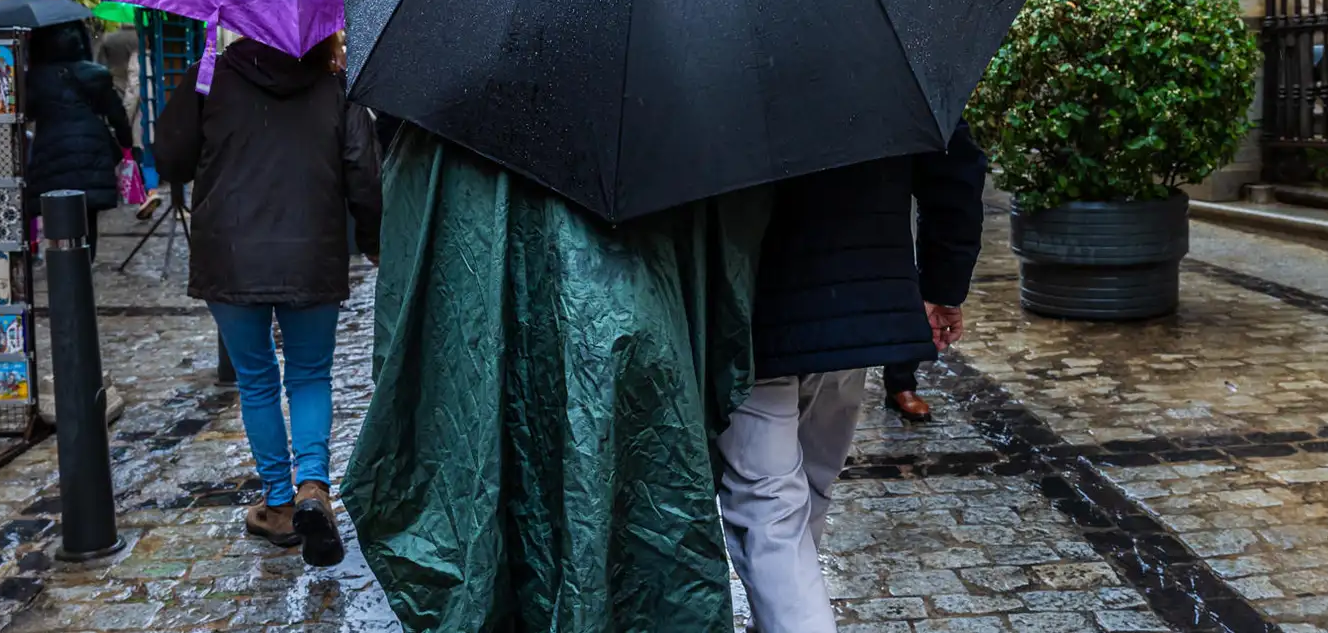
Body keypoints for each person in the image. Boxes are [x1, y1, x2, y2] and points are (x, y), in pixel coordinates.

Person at [340, 128, 768, 631]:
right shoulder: (660, 107)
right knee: (620, 512)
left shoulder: (443, 114)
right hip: (629, 340)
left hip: (586, 347)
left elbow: (407, 277)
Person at [719, 120, 987, 633]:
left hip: (756, 309)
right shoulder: (883, 50)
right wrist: (942, 285)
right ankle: (786, 609)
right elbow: (954, 166)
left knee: (769, 501)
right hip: (853, 312)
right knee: (808, 485)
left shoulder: (703, 53)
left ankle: (790, 614)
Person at [155, 34, 381, 569]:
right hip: (312, 255)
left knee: (257, 379)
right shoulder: (334, 87)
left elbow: (172, 160)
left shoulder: (211, 78)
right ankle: (313, 488)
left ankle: (279, 504)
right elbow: (365, 176)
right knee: (310, 375)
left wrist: (198, 80)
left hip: (229, 256)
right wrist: (373, 240)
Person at [21, 21, 133, 257]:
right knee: (87, 208)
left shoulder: (36, 78)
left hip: (50, 149)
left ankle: (61, 258)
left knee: (55, 204)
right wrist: (126, 142)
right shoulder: (95, 75)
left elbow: (27, 112)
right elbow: (115, 113)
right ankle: (85, 260)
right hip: (90, 147)